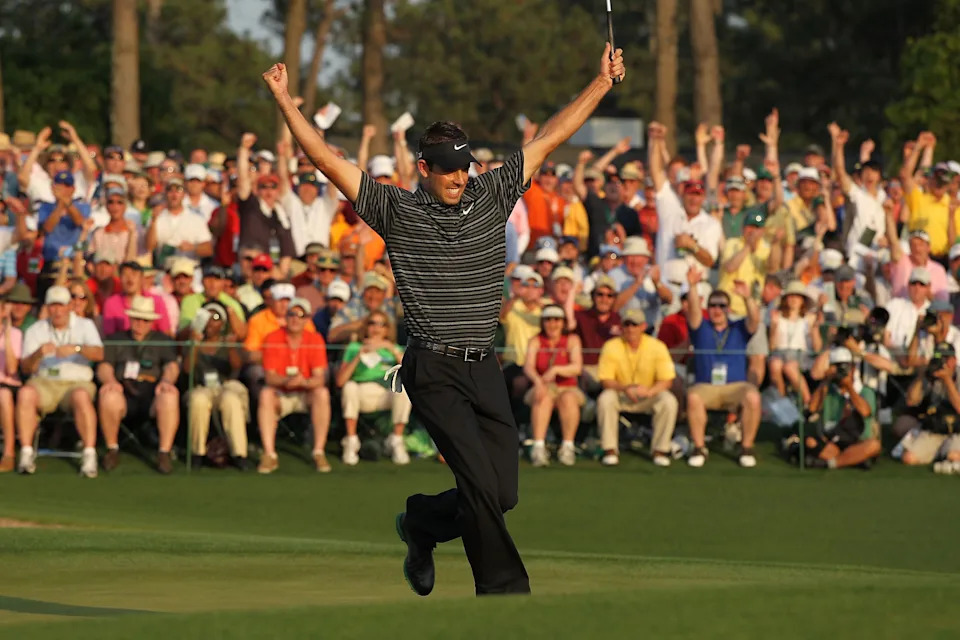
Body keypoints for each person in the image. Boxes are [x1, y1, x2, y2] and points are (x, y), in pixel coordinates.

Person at [264, 41, 625, 596]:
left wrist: (601, 83)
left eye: (466, 165)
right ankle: (506, 596)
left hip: (485, 366)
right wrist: (286, 102)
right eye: (450, 168)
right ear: (424, 168)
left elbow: (551, 136)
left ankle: (421, 523)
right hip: (432, 367)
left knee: (502, 494)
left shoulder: (493, 193)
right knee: (480, 487)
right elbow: (327, 160)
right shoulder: (395, 209)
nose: (461, 177)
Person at [16, 286, 103, 477]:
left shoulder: (85, 325)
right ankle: (26, 452)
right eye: (53, 306)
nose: (57, 311)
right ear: (47, 307)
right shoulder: (36, 329)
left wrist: (78, 349)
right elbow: (25, 368)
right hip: (46, 382)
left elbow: (99, 353)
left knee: (81, 397)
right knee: (25, 393)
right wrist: (38, 354)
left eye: (61, 306)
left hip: (76, 383)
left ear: (69, 306)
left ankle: (89, 455)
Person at [684, 267, 762, 468]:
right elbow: (693, 312)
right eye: (713, 306)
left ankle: (746, 447)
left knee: (752, 396)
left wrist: (747, 298)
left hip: (734, 386)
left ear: (728, 309)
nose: (717, 310)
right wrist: (692, 286)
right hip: (707, 387)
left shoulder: (738, 328)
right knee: (693, 397)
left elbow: (754, 321)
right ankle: (699, 447)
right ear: (708, 308)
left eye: (721, 306)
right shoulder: (701, 328)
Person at [97, 296, 180, 474]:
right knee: (108, 395)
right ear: (130, 319)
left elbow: (171, 366)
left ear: (151, 322)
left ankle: (164, 453)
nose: (140, 323)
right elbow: (104, 366)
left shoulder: (162, 341)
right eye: (137, 318)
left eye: (145, 320)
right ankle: (112, 448)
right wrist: (110, 380)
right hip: (123, 389)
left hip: (152, 390)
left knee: (169, 396)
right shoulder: (116, 339)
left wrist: (166, 381)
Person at [257, 297, 331, 474]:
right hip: (281, 393)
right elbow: (269, 377)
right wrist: (287, 382)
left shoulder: (315, 339)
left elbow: (319, 378)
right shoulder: (273, 337)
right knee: (266, 394)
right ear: (286, 316)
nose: (295, 318)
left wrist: (303, 382)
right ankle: (269, 454)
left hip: (306, 393)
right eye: (291, 314)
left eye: (300, 315)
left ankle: (319, 452)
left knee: (322, 393)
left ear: (307, 319)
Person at [595, 308, 677, 467]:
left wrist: (649, 391)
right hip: (622, 393)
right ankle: (610, 449)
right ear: (621, 327)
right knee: (605, 398)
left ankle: (660, 450)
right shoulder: (611, 346)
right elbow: (606, 380)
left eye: (635, 325)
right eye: (627, 325)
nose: (631, 329)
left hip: (648, 394)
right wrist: (625, 388)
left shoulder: (657, 346)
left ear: (643, 326)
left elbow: (667, 380)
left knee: (668, 400)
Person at [335, 310, 413, 466]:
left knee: (403, 388)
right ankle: (351, 441)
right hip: (361, 393)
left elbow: (411, 373)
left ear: (387, 329)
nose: (376, 328)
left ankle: (396, 440)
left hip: (386, 393)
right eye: (372, 323)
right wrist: (359, 354)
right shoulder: (354, 347)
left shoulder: (393, 348)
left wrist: (391, 348)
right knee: (349, 387)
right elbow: (340, 381)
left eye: (381, 324)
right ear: (366, 327)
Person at [186, 302, 250, 471]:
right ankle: (197, 452)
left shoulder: (227, 343)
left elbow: (236, 366)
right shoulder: (194, 342)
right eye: (207, 317)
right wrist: (194, 346)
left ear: (222, 323)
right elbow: (186, 369)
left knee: (231, 400)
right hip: (200, 387)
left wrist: (229, 348)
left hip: (223, 386)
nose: (210, 322)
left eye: (215, 318)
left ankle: (239, 453)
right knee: (198, 400)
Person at [522, 305, 585, 467]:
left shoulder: (572, 340)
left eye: (556, 319)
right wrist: (537, 381)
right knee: (543, 397)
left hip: (568, 387)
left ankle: (567, 446)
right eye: (548, 320)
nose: (552, 324)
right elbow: (528, 366)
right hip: (542, 386)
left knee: (568, 399)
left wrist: (556, 369)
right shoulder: (536, 340)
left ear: (563, 322)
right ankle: (538, 446)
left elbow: (577, 367)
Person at [894, 342, 960, 468]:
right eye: (938, 358)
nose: (941, 362)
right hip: (935, 428)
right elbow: (911, 401)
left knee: (953, 456)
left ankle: (947, 453)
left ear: (954, 360)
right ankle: (940, 453)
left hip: (957, 429)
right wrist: (921, 376)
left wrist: (947, 380)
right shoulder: (931, 375)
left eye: (945, 359)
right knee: (909, 458)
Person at [768, 280, 821, 404]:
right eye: (791, 296)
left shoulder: (809, 318)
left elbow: (817, 347)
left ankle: (808, 402)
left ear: (803, 300)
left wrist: (815, 329)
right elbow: (772, 347)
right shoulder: (778, 317)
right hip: (779, 353)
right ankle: (781, 401)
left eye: (797, 296)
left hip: (800, 355)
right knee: (775, 364)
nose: (794, 299)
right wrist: (774, 327)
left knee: (790, 367)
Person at [0, 301, 22, 472]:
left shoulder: (15, 334)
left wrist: (6, 336)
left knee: (3, 395)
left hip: (7, 385)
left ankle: (9, 453)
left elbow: (12, 368)